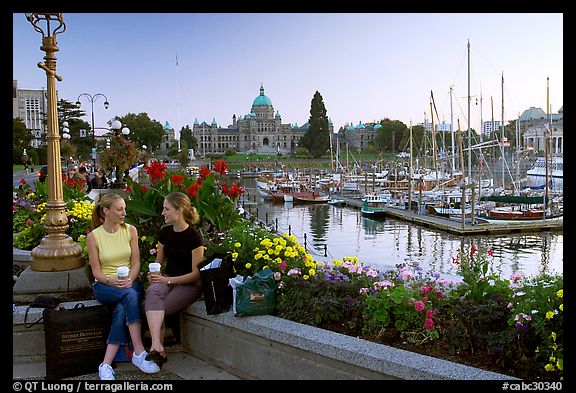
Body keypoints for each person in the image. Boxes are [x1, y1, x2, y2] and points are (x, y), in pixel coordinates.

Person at [87, 192, 160, 380]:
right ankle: (138, 351)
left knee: (124, 303)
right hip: (106, 285)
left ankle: (105, 364)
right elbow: (96, 271)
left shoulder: (130, 230)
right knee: (129, 296)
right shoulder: (94, 236)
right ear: (106, 211)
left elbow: (136, 263)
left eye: (124, 209)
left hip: (130, 282)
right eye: (119, 209)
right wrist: (112, 281)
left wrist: (130, 279)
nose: (123, 213)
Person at [144, 192, 205, 366]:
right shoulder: (164, 233)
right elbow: (158, 262)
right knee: (153, 291)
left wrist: (167, 281)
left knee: (156, 306)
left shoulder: (194, 237)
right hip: (168, 279)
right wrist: (154, 275)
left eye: (166, 209)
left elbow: (196, 274)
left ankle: (157, 350)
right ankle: (157, 347)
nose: (163, 212)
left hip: (189, 284)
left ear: (179, 211)